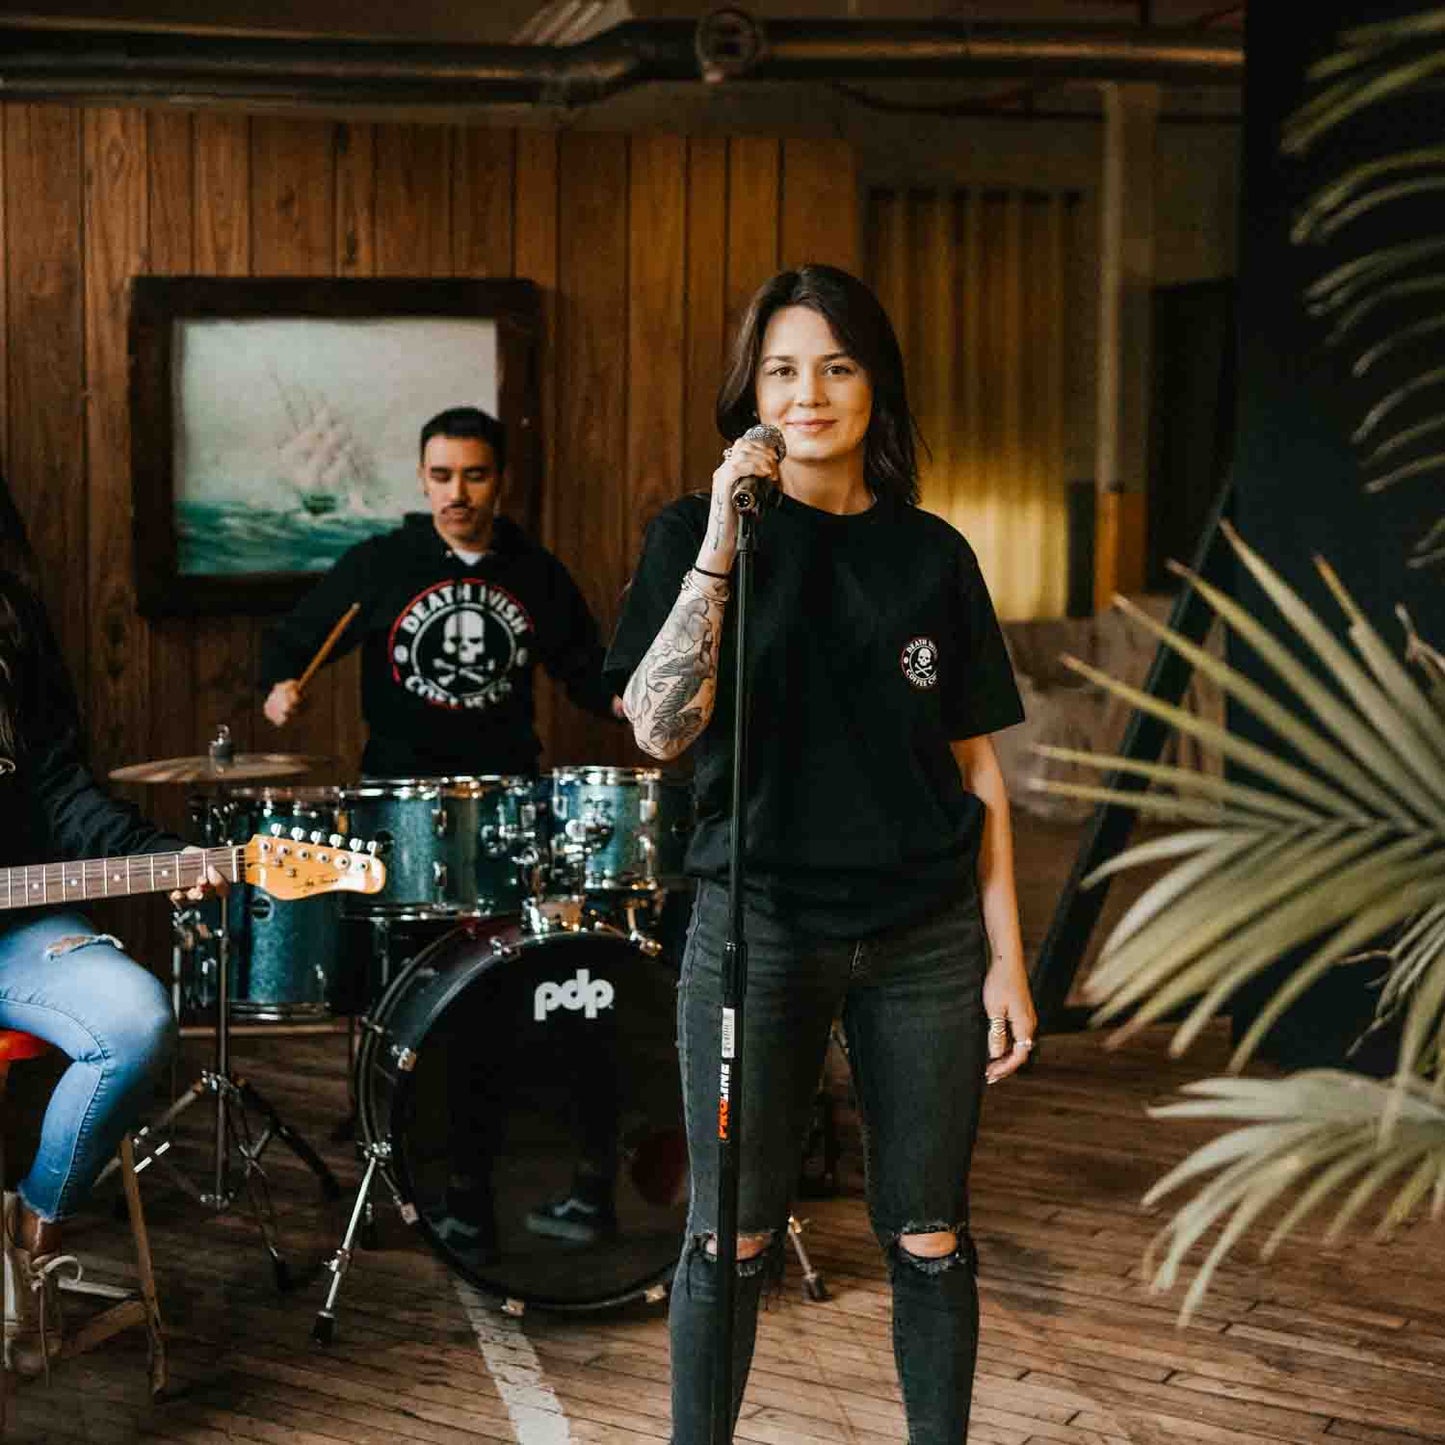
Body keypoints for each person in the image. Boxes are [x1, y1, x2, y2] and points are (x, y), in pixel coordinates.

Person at [604, 264, 1037, 1444]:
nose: (810, 393)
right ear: (750, 391)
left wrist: (1007, 959)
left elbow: (976, 770)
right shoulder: (695, 539)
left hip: (926, 939)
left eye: (836, 367)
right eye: (784, 369)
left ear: (874, 388)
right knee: (730, 1236)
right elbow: (654, 727)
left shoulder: (933, 554)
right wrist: (716, 540)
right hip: (758, 934)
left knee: (929, 1233)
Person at [0, 479, 221, 1376]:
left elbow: (58, 787)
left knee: (134, 1018)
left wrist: (162, 856)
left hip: (16, 922)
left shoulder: (13, 624)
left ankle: (29, 1223)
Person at [261, 405, 622, 776]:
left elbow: (582, 664)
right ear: (422, 479)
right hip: (398, 784)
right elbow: (291, 643)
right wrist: (279, 685)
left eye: (475, 476)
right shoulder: (378, 563)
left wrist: (622, 701)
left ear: (501, 479)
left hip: (506, 784)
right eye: (441, 476)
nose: (457, 493)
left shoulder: (535, 570)